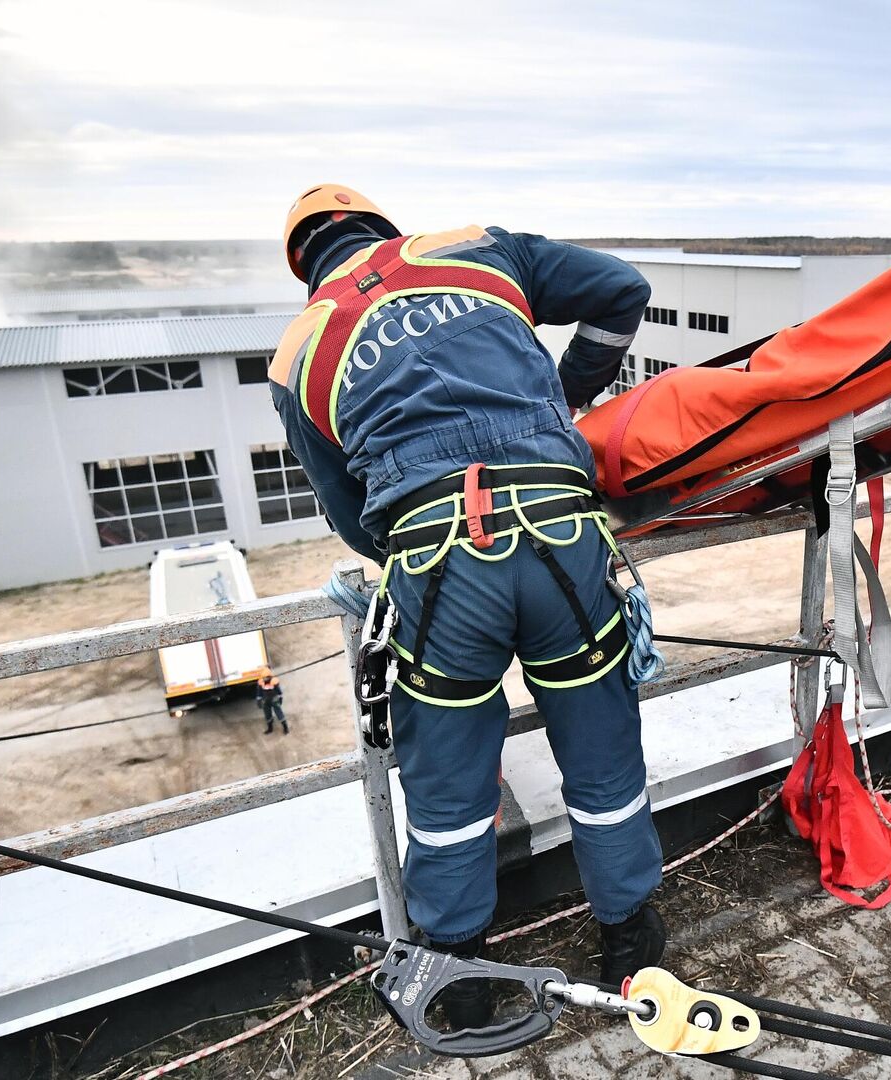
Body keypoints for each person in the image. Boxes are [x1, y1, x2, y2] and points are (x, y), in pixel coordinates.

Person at [266, 184, 666, 1026]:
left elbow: (351, 515)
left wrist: (425, 557)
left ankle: (462, 975)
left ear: (304, 263)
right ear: (382, 227)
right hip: (566, 537)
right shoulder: (474, 245)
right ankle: (632, 947)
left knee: (447, 781)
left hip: (437, 561)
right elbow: (621, 289)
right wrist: (565, 397)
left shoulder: (297, 351)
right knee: (600, 753)